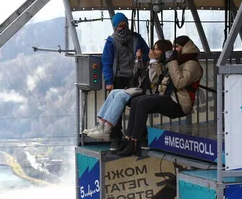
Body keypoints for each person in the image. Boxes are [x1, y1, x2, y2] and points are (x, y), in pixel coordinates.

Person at [116, 36, 203, 157]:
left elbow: (179, 82)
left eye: (177, 47)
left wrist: (172, 62)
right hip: (168, 97)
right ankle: (128, 139)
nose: (174, 49)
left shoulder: (192, 64)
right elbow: (158, 79)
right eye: (173, 47)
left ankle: (135, 142)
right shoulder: (177, 61)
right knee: (136, 101)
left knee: (142, 103)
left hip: (179, 103)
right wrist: (157, 62)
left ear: (186, 48)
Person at [84, 40, 172, 142]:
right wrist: (138, 60)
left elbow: (154, 79)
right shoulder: (154, 62)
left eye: (157, 50)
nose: (154, 52)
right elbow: (138, 73)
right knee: (114, 93)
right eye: (154, 49)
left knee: (121, 96)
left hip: (150, 92)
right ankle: (101, 124)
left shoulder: (163, 64)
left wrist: (152, 62)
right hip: (142, 88)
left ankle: (107, 129)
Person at [100, 13, 150, 149]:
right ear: (115, 27)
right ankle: (116, 137)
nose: (123, 28)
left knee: (138, 106)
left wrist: (142, 57)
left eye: (125, 25)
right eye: (120, 25)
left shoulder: (136, 38)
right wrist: (109, 81)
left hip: (135, 79)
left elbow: (148, 53)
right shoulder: (111, 42)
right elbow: (107, 62)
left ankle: (140, 136)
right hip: (118, 79)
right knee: (117, 109)